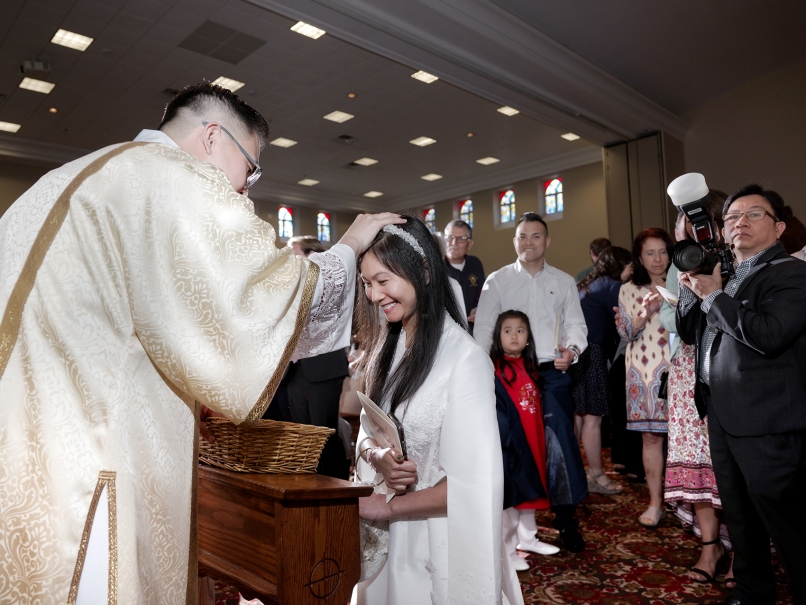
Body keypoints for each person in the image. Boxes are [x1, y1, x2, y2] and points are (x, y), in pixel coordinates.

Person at [0, 82, 402, 604]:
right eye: (250, 168)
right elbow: (263, 294)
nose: (246, 190)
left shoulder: (64, 179)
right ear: (213, 138)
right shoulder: (171, 177)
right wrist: (348, 246)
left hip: (23, 448)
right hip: (90, 453)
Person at [352, 216, 522, 605]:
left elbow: (474, 483)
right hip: (391, 532)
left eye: (383, 281)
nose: (374, 296)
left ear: (424, 271)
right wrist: (377, 455)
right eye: (366, 283)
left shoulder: (465, 360)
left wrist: (389, 507)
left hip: (439, 537)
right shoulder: (388, 348)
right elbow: (367, 426)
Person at [677, 184, 806, 605]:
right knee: (740, 513)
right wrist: (691, 289)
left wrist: (713, 295)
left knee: (786, 520)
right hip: (722, 411)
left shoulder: (790, 273)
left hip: (768, 418)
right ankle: (752, 591)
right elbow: (690, 331)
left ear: (779, 227)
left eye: (754, 214)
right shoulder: (726, 274)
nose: (740, 222)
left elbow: (769, 335)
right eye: (732, 217)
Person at [475, 212, 588, 553]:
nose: (528, 242)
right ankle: (514, 528)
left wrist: (572, 350)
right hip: (507, 375)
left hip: (551, 373)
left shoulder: (565, 281)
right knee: (512, 445)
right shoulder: (497, 281)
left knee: (559, 444)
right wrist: (482, 374)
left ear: (547, 241)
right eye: (522, 236)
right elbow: (482, 331)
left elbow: (576, 325)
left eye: (535, 236)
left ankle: (566, 521)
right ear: (515, 242)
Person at [659, 201, 734, 587]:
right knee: (696, 462)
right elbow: (684, 327)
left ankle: (742, 550)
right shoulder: (680, 262)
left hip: (732, 367)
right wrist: (691, 279)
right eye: (685, 229)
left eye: (701, 226)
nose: (693, 235)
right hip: (690, 368)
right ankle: (710, 545)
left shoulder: (735, 257)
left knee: (734, 468)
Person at [492, 310, 559, 573]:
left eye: (520, 330)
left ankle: (528, 539)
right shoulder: (496, 369)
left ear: (529, 337)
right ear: (498, 336)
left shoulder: (531, 367)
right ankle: (508, 549)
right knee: (512, 495)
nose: (514, 335)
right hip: (512, 444)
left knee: (532, 488)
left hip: (534, 440)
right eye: (507, 330)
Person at [615, 227, 673, 528]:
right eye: (650, 253)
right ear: (640, 256)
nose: (657, 259)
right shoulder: (629, 289)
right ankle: (655, 502)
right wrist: (645, 313)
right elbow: (626, 332)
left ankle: (689, 502)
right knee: (651, 437)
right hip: (644, 371)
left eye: (662, 251)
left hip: (679, 369)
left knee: (686, 440)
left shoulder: (682, 283)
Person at [282, 235, 351, 479]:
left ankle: (338, 489)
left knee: (324, 436)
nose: (289, 259)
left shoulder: (327, 281)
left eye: (294, 253)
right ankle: (309, 488)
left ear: (312, 255)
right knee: (302, 439)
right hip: (294, 369)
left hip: (322, 368)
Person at [571, 246, 632, 495]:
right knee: (593, 419)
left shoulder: (590, 283)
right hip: (592, 353)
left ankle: (575, 472)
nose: (632, 271)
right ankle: (596, 474)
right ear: (620, 266)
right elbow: (629, 319)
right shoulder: (611, 286)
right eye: (630, 266)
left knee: (577, 416)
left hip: (576, 352)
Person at [443, 219, 485, 332]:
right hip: (445, 332)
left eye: (461, 239)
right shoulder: (437, 268)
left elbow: (482, 295)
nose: (454, 243)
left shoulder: (475, 264)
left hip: (472, 331)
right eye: (450, 238)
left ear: (470, 244)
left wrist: (480, 311)